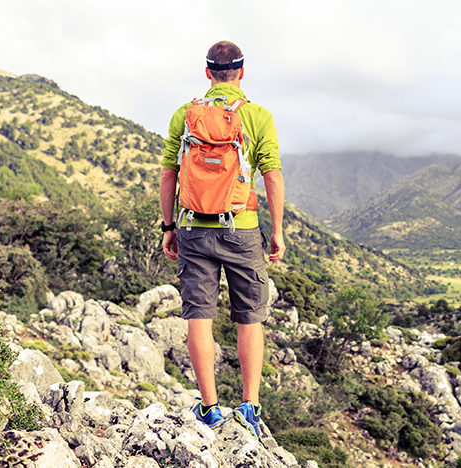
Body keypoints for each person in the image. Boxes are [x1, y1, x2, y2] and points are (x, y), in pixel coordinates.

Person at [159, 40, 285, 439]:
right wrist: (277, 231)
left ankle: (210, 408)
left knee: (200, 314)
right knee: (250, 315)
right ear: (242, 73)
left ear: (208, 73)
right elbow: (273, 175)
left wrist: (168, 227)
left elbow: (168, 174)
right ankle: (249, 407)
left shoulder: (186, 114)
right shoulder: (258, 117)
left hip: (193, 226)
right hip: (242, 227)